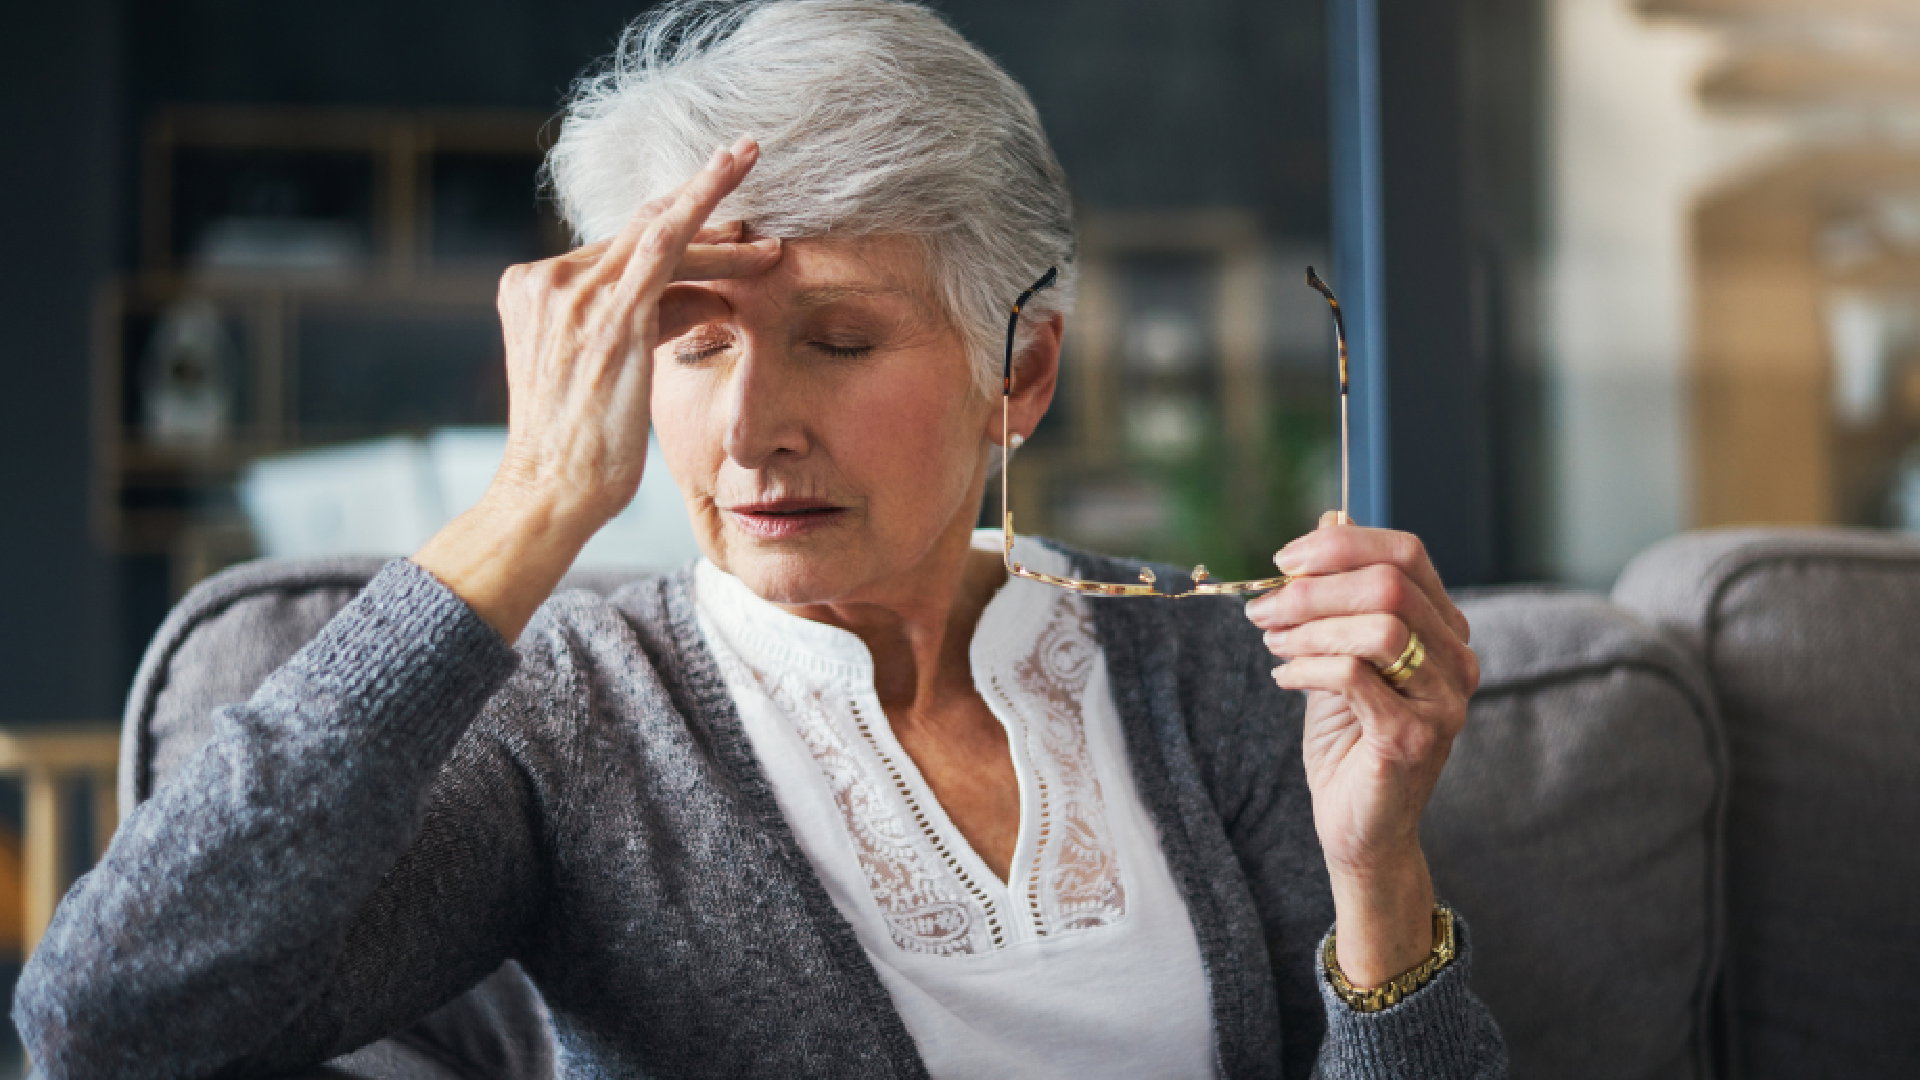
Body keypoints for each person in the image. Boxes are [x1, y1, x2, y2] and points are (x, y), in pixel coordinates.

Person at [14, 1, 1506, 1076]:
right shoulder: (572, 719)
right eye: (691, 339)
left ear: (1022, 374)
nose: (749, 431)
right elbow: (105, 1022)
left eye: (838, 342)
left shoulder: (1209, 663)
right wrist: (529, 503)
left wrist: (1378, 871)